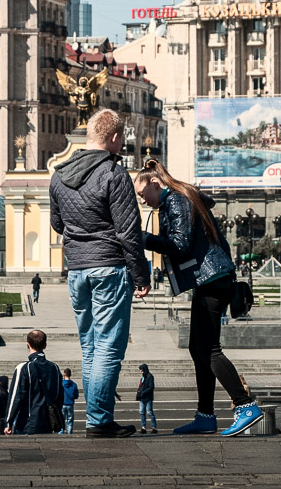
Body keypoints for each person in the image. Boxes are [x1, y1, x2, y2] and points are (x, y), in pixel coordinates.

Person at [135, 160, 262, 436]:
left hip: (212, 280)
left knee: (208, 349)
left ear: (155, 184)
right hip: (211, 279)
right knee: (198, 348)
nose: (142, 201)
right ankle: (205, 416)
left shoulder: (177, 201)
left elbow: (180, 245)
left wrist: (144, 238)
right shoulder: (177, 199)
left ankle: (245, 404)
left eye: (142, 194)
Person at [49, 108, 149, 438]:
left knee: (90, 347)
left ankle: (96, 416)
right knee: (108, 348)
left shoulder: (58, 174)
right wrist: (141, 276)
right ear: (115, 138)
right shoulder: (113, 173)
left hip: (76, 270)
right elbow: (128, 232)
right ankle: (99, 420)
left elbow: (57, 224)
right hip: (109, 267)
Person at [5, 330, 63, 435]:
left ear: (27, 345)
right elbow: (59, 396)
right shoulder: (54, 368)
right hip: (49, 422)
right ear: (45, 345)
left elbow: (15, 397)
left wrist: (8, 421)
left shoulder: (24, 367)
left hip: (27, 421)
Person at [135, 364, 156, 434]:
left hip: (148, 398)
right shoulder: (143, 377)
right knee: (141, 412)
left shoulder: (150, 376)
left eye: (141, 369)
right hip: (142, 398)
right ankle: (143, 427)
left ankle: (154, 428)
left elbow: (151, 387)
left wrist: (143, 392)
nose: (140, 371)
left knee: (149, 412)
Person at [60, 369, 79, 434]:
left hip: (62, 403)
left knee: (62, 418)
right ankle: (69, 432)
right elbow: (76, 395)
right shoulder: (74, 384)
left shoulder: (61, 383)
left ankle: (61, 431)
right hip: (70, 404)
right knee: (70, 419)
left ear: (64, 374)